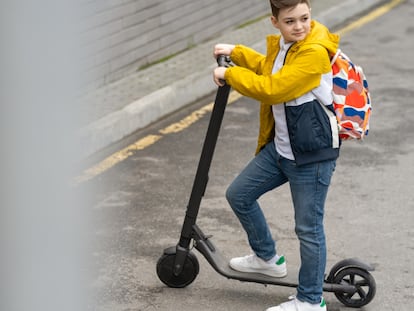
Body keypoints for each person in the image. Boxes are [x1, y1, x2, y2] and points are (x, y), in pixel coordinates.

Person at [212, 1, 340, 310]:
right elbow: (268, 67)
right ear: (275, 22)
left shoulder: (313, 51)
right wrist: (238, 53)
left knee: (308, 229)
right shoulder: (288, 45)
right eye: (290, 20)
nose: (300, 26)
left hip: (311, 155)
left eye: (305, 18)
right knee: (239, 195)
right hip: (282, 149)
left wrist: (230, 76)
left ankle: (311, 301)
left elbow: (273, 88)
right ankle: (267, 258)